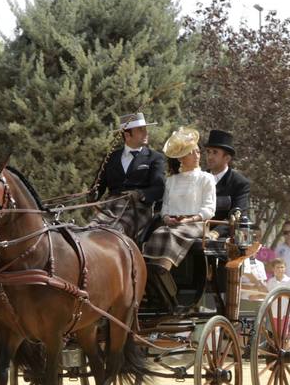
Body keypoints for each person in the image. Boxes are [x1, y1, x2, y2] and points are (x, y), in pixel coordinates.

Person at [142, 127, 215, 308]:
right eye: (192, 152)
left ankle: (161, 271)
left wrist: (190, 219)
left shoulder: (206, 178)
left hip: (196, 224)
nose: (197, 155)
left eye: (198, 151)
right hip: (173, 224)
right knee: (158, 232)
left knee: (166, 234)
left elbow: (209, 208)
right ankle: (152, 275)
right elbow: (165, 207)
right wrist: (167, 218)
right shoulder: (172, 181)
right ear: (182, 157)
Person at [90, 111, 167, 241]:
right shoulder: (111, 158)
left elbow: (159, 188)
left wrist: (140, 194)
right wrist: (93, 198)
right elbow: (98, 185)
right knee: (90, 230)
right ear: (127, 134)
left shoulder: (155, 158)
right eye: (141, 130)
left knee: (114, 233)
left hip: (138, 209)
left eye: (145, 129)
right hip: (110, 207)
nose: (146, 133)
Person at [202, 129, 251, 235]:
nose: (209, 157)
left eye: (215, 152)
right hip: (194, 232)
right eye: (208, 152)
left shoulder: (239, 183)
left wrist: (215, 233)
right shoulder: (199, 178)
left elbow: (238, 215)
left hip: (221, 241)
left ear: (227, 158)